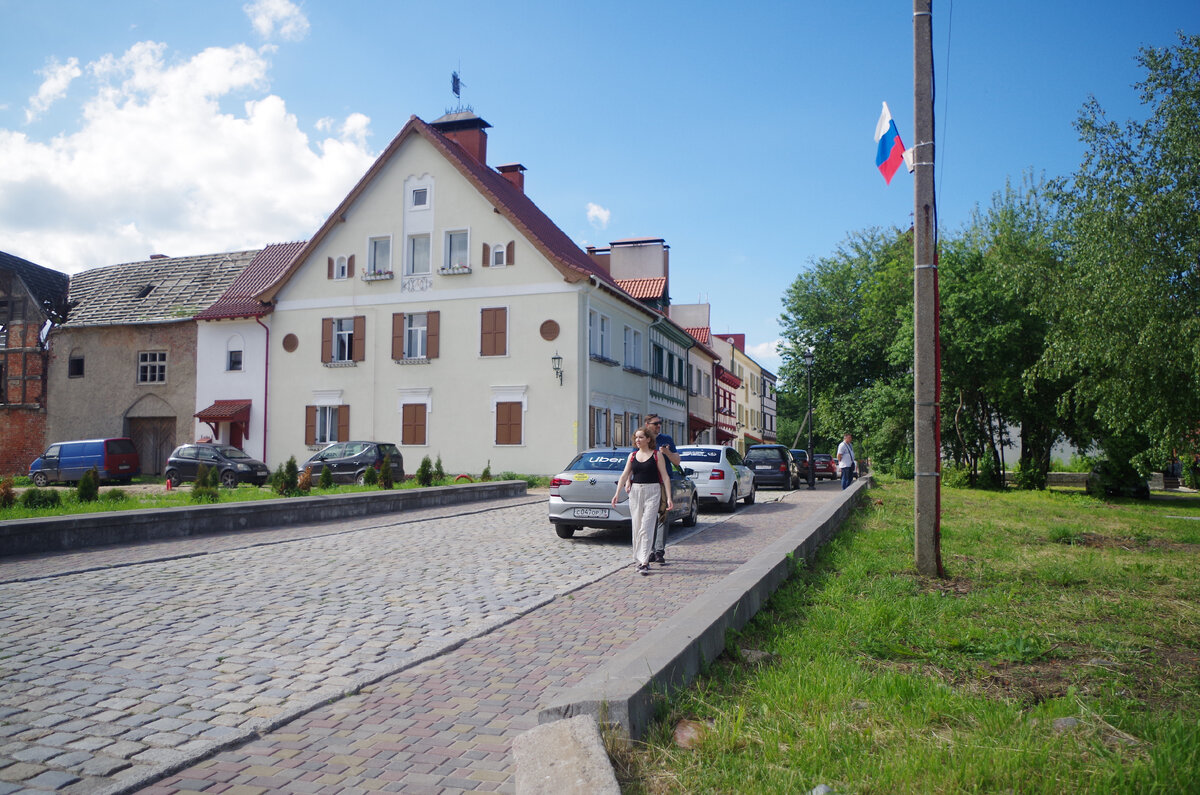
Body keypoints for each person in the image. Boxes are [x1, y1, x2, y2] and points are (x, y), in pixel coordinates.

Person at [612, 426, 673, 575]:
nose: (638, 440)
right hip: (636, 492)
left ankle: (645, 562)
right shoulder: (632, 456)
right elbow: (624, 475)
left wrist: (669, 498)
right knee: (637, 526)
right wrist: (617, 493)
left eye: (641, 437)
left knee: (647, 526)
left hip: (653, 491)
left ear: (648, 439)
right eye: (636, 438)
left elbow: (665, 476)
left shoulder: (657, 455)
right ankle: (638, 559)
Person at [645, 415, 680, 564]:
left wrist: (667, 453)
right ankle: (649, 551)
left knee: (663, 517)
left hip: (664, 483)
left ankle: (659, 551)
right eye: (656, 424)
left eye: (660, 423)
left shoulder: (667, 439)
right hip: (647, 482)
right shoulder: (642, 438)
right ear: (647, 425)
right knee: (648, 518)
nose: (659, 426)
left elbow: (677, 461)